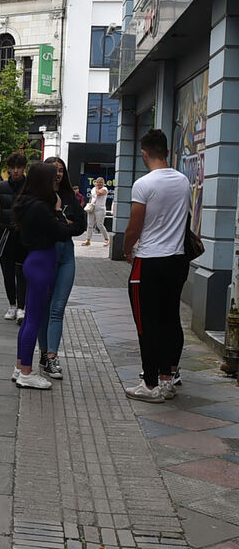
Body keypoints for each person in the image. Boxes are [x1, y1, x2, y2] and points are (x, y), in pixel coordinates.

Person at [122, 129, 192, 403]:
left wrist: (128, 250)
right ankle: (168, 378)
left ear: (144, 153)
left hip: (149, 261)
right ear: (167, 151)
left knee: (146, 323)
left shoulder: (144, 184)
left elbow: (134, 226)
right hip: (177, 260)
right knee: (170, 319)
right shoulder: (183, 181)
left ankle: (149, 384)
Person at [12, 163, 76, 390]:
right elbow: (62, 231)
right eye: (52, 179)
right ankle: (27, 373)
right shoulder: (40, 207)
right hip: (42, 262)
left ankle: (21, 367)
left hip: (35, 260)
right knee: (34, 320)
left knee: (30, 318)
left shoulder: (27, 203)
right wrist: (58, 212)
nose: (55, 182)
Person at [37, 157, 86, 380]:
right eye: (54, 170)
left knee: (57, 308)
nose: (58, 173)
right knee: (43, 309)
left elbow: (80, 226)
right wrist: (63, 224)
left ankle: (52, 356)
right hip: (46, 254)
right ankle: (44, 353)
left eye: (61, 170)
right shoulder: (38, 196)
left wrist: (63, 225)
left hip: (67, 255)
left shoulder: (69, 196)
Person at [0, 153, 29, 323]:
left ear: (24, 168)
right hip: (5, 233)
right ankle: (12, 304)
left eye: (19, 167)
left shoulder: (30, 187)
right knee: (7, 271)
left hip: (23, 234)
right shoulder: (0, 187)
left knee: (22, 271)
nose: (15, 171)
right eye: (13, 167)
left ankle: (22, 307)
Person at [83, 177, 110, 246]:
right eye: (98, 182)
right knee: (90, 225)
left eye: (101, 182)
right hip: (92, 208)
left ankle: (107, 239)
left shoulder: (105, 189)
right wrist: (89, 204)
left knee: (100, 225)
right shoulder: (93, 189)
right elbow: (92, 197)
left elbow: (98, 193)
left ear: (103, 183)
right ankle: (88, 240)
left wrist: (96, 187)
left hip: (100, 209)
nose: (99, 184)